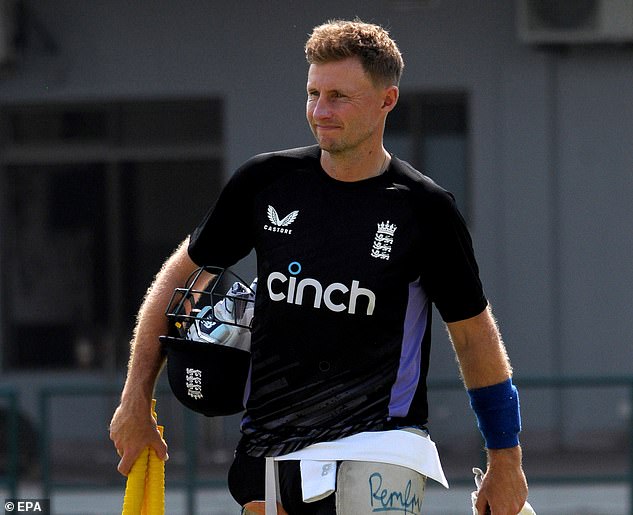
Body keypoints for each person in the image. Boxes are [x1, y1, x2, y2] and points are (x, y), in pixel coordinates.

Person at [110, 19, 529, 515]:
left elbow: (475, 338)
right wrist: (136, 397)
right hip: (269, 447)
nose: (319, 110)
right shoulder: (264, 182)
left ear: (387, 101)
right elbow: (179, 279)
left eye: (338, 96)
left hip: (379, 448)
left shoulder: (425, 210)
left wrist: (506, 459)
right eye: (313, 93)